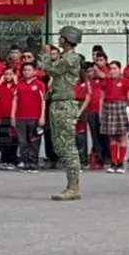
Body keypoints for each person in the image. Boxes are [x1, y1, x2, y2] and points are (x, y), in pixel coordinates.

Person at [37, 26, 86, 201]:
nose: (59, 40)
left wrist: (44, 54)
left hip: (66, 104)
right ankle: (71, 184)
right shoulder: (65, 57)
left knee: (68, 146)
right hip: (58, 101)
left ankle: (73, 186)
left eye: (61, 37)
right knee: (59, 145)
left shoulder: (71, 58)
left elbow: (51, 69)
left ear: (66, 39)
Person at [97, 61, 129, 173]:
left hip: (121, 108)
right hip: (109, 109)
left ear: (119, 69)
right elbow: (102, 98)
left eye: (115, 68)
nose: (112, 71)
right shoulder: (106, 82)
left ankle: (120, 162)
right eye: (111, 69)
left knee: (122, 137)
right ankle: (113, 161)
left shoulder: (125, 82)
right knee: (112, 137)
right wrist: (100, 112)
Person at [11, 61, 46, 173]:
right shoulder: (19, 84)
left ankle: (33, 163)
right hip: (21, 117)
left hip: (34, 117)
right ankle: (26, 162)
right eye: (25, 70)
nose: (27, 72)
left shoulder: (40, 84)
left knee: (34, 141)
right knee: (23, 141)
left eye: (29, 70)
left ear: (34, 71)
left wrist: (42, 116)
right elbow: (15, 100)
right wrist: (13, 116)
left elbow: (43, 101)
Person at [0, 65, 18, 169]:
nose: (8, 76)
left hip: (13, 116)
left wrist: (16, 81)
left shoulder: (17, 86)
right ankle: (4, 159)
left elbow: (20, 93)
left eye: (10, 74)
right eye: (6, 74)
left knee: (13, 139)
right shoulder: (0, 86)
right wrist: (0, 82)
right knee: (3, 138)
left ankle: (12, 160)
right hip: (1, 115)